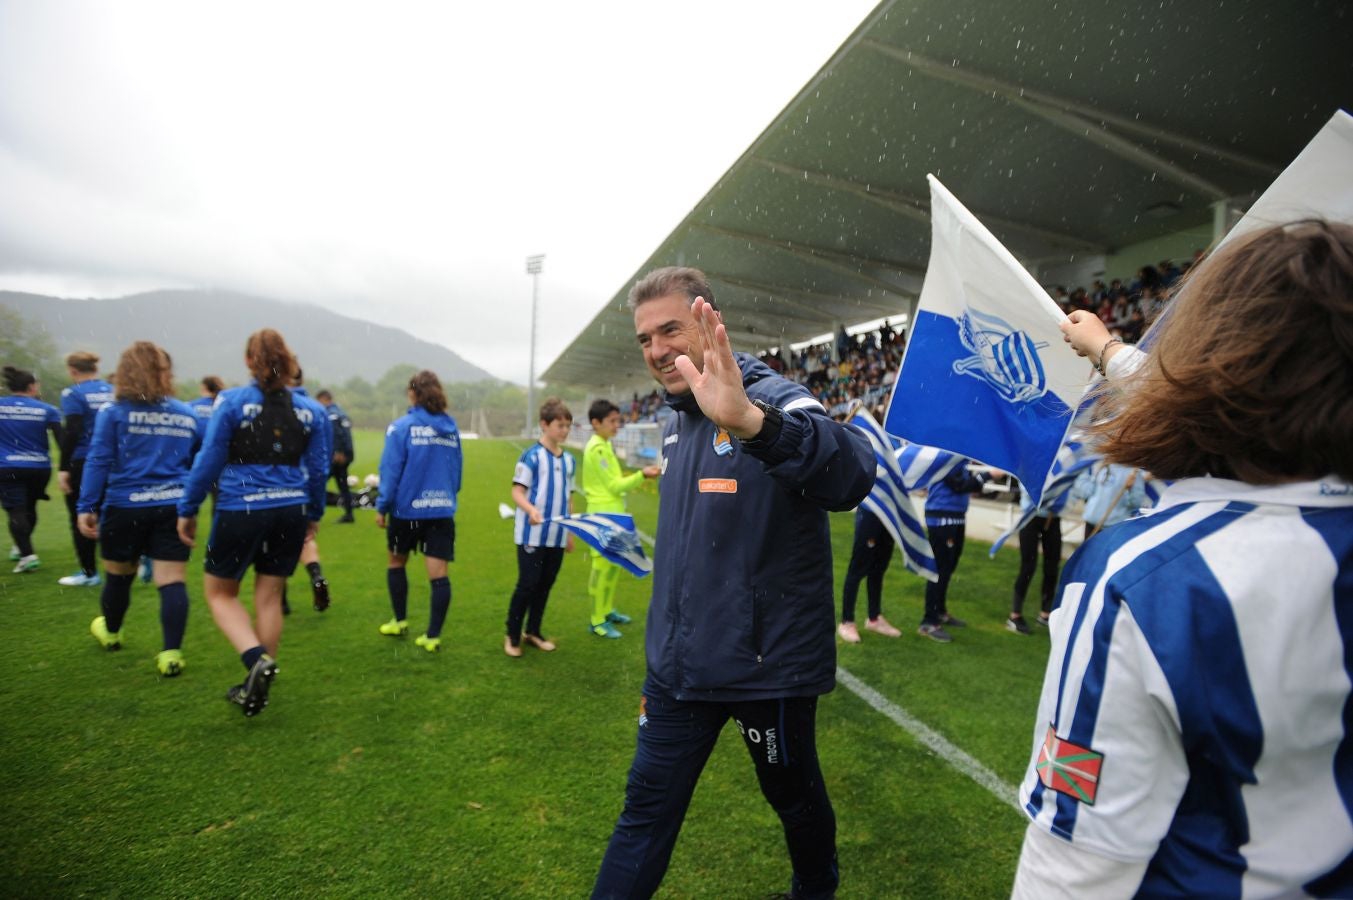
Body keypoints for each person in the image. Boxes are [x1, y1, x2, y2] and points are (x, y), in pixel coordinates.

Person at [1014, 220, 1353, 897]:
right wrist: (1108, 349)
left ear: (1216, 363)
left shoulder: (1143, 580)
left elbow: (1074, 872)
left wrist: (1109, 349)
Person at [592, 267, 874, 899]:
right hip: (678, 669)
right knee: (644, 812)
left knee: (793, 800)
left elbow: (851, 474)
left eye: (670, 329)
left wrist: (752, 423)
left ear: (707, 319)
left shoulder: (769, 395)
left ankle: (815, 890)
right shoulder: (672, 417)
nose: (657, 349)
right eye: (645, 339)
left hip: (765, 668)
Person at [176, 328, 327, 717]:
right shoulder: (314, 411)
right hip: (291, 508)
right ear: (290, 362)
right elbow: (318, 467)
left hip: (240, 508)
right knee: (270, 596)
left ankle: (256, 661)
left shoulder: (230, 401)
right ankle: (258, 683)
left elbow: (209, 459)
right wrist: (313, 515)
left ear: (248, 361)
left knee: (220, 593)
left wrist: (188, 507)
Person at [77, 342, 201, 675]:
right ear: (165, 373)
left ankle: (112, 632)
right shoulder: (186, 413)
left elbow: (99, 459)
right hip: (173, 506)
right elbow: (197, 462)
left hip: (125, 506)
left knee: (119, 577)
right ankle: (171, 654)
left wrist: (86, 505)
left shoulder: (113, 411)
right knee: (171, 581)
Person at [374, 370, 462, 651]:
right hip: (441, 511)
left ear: (413, 394)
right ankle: (433, 636)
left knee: (396, 563)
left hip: (406, 512)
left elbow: (390, 471)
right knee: (439, 575)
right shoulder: (451, 429)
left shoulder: (402, 427)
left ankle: (399, 621)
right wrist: (445, 496)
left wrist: (382, 506)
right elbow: (457, 472)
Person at [504, 397, 575, 658]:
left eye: (568, 425)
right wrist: (531, 509)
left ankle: (532, 631)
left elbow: (568, 496)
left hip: (556, 535)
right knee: (527, 584)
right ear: (544, 425)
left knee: (545, 585)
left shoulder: (569, 461)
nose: (565, 430)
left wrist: (569, 531)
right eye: (560, 425)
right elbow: (517, 491)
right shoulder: (531, 456)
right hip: (531, 534)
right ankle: (512, 634)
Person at [582, 399, 659, 639]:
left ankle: (606, 611)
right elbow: (615, 486)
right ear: (596, 423)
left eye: (618, 420)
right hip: (603, 514)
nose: (617, 425)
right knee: (602, 569)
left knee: (613, 566)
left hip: (613, 512)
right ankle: (596, 621)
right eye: (612, 421)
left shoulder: (604, 445)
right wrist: (642, 475)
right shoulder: (597, 449)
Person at [918, 461, 994, 642]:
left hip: (955, 517)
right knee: (939, 571)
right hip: (943, 518)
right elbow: (960, 486)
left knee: (948, 569)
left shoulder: (957, 457)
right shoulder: (945, 457)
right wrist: (989, 475)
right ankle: (928, 621)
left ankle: (940, 611)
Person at [57, 351, 115, 587]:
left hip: (85, 460)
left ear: (72, 371)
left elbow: (72, 429)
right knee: (111, 511)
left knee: (82, 514)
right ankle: (132, 559)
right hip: (114, 460)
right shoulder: (113, 390)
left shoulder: (72, 393)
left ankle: (90, 573)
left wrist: (63, 467)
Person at [1, 366, 62, 573]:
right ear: (31, 386)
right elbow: (62, 441)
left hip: (8, 466)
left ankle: (27, 555)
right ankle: (21, 547)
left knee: (16, 511)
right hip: (39, 468)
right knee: (30, 507)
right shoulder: (47, 409)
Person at [1006, 484, 1068, 634]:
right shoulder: (1033, 461)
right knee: (1028, 566)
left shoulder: (1063, 463)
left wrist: (1060, 498)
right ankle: (1015, 615)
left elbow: (1070, 487)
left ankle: (1045, 613)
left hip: (1053, 519)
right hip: (1030, 517)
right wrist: (1054, 494)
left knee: (1052, 566)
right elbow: (1030, 489)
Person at [836, 507, 903, 643]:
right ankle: (847, 622)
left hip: (889, 513)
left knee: (878, 570)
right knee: (856, 570)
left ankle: (874, 618)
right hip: (870, 512)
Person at [1073, 461, 1147, 541]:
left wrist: (1130, 489)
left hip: (1113, 527)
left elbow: (1136, 503)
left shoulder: (1134, 473)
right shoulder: (1102, 465)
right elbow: (1087, 492)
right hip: (1092, 523)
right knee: (1087, 552)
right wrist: (1084, 477)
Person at [315, 389, 356, 523]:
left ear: (324, 399)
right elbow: (347, 435)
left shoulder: (331, 415)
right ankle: (349, 514)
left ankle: (312, 514)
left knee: (318, 482)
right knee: (343, 485)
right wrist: (347, 453)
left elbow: (336, 435)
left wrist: (338, 452)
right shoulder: (341, 413)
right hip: (346, 455)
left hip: (337, 456)